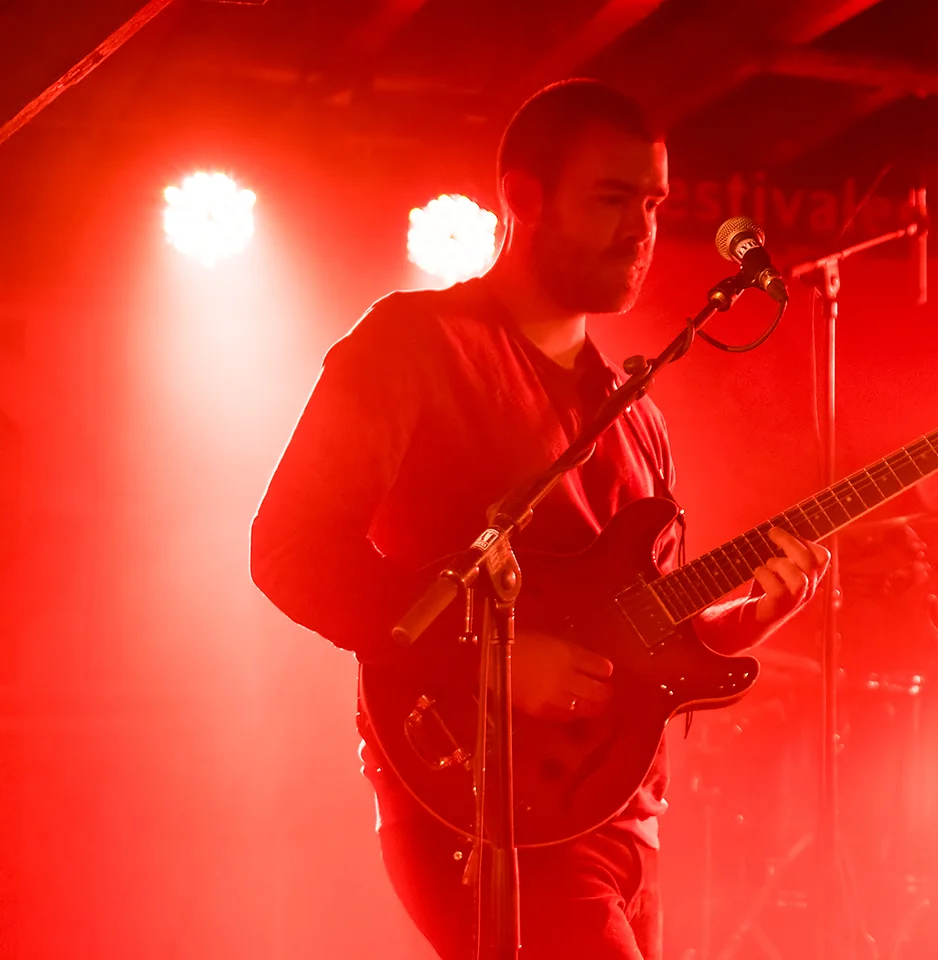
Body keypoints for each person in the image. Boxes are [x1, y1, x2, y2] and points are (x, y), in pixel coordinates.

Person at [249, 79, 829, 960]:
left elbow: (635, 640)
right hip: (482, 801)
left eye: (653, 203)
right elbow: (291, 548)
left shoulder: (636, 415)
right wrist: (492, 659)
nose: (641, 229)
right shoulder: (414, 344)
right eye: (612, 199)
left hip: (621, 814)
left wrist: (744, 620)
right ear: (523, 198)